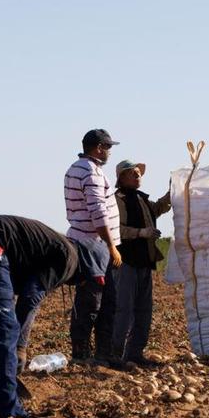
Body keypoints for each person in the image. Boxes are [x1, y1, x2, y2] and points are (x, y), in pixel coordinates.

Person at [0, 215, 108, 418]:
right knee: (6, 332)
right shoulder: (69, 258)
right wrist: (20, 346)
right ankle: (10, 411)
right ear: (89, 267)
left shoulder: (52, 247)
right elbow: (30, 298)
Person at [64, 129, 122, 363]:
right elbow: (98, 212)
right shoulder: (91, 172)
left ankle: (101, 354)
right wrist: (111, 246)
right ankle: (84, 355)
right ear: (98, 148)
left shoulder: (76, 168)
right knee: (93, 301)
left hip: (88, 243)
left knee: (104, 301)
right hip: (93, 245)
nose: (109, 152)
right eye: (107, 147)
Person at [109, 159, 171, 369]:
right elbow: (115, 228)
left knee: (144, 310)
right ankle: (115, 355)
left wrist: (172, 192)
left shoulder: (142, 199)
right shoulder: (117, 200)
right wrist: (141, 233)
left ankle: (135, 354)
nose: (138, 176)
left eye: (138, 173)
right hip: (125, 261)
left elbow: (159, 208)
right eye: (133, 173)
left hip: (144, 261)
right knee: (124, 309)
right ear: (122, 177)